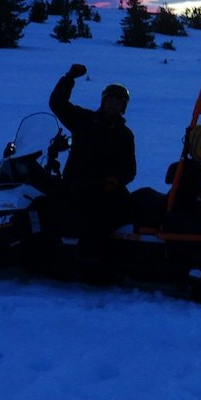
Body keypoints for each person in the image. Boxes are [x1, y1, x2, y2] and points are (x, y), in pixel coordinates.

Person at [49, 63, 137, 268]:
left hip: (109, 186)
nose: (114, 106)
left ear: (123, 107)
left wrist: (117, 179)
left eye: (119, 103)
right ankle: (88, 256)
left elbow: (130, 169)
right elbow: (57, 104)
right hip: (80, 182)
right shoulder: (85, 120)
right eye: (111, 101)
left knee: (131, 209)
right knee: (96, 212)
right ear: (104, 101)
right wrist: (69, 78)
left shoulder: (125, 135)